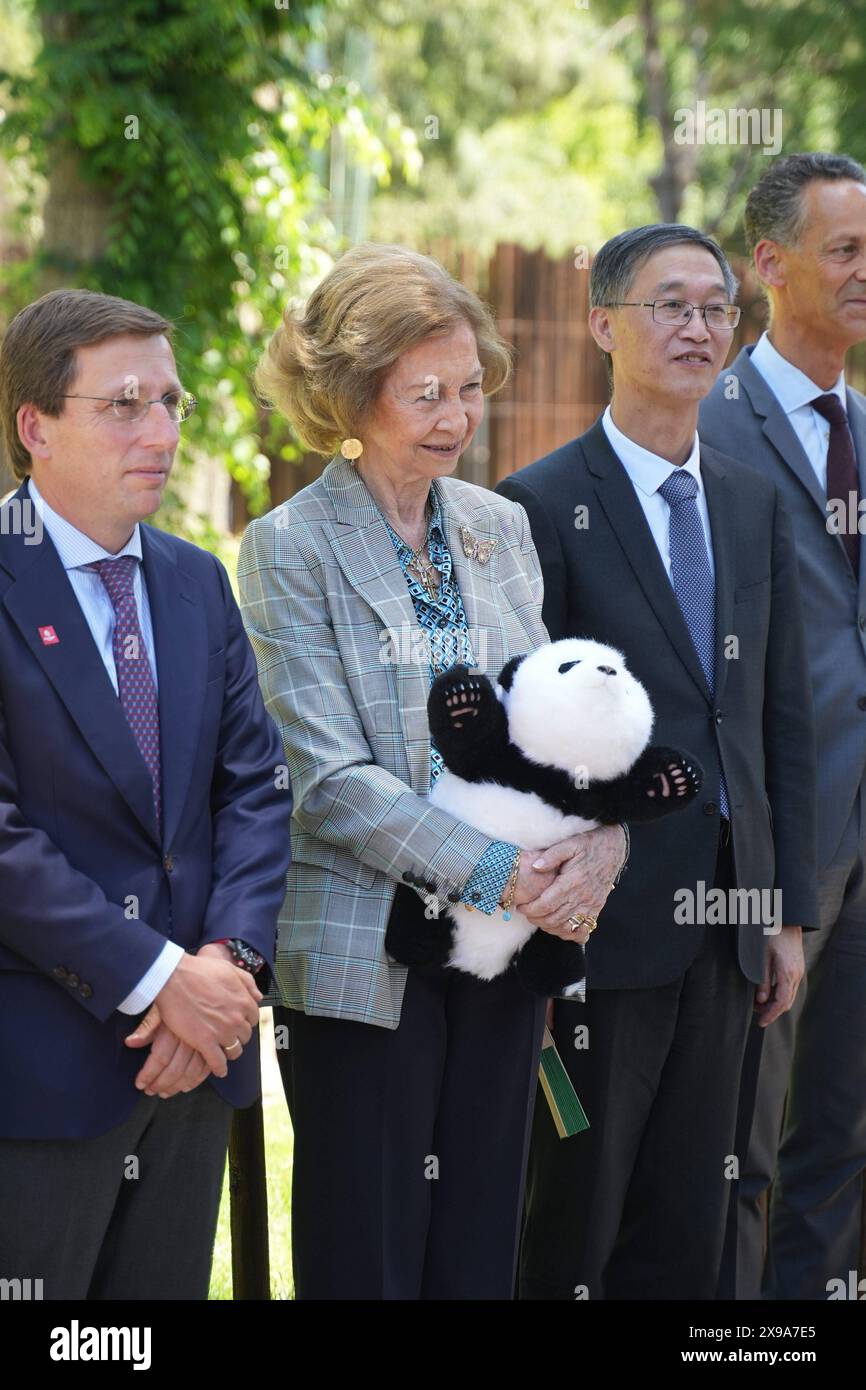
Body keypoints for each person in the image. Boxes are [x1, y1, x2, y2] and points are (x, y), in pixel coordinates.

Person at [237, 242, 627, 1300]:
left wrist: (593, 840)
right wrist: (501, 868)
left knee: (474, 1248)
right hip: (365, 957)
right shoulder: (287, 547)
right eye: (425, 394)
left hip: (504, 953)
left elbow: (554, 729)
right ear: (351, 394)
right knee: (367, 1249)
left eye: (467, 388)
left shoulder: (500, 527)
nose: (457, 415)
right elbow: (327, 779)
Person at [496, 224, 819, 1300]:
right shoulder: (537, 504)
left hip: (729, 926)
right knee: (575, 1217)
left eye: (715, 308)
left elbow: (775, 715)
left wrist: (780, 910)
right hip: (603, 924)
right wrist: (533, 941)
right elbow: (524, 743)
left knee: (694, 1223)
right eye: (667, 305)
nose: (696, 328)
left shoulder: (749, 499)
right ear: (602, 325)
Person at [0, 288, 291, 1300]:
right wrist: (157, 977)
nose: (160, 429)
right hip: (42, 1070)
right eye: (124, 403)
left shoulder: (196, 581)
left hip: (194, 1065)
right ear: (36, 427)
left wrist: (224, 969)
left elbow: (253, 789)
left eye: (171, 402)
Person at [701, 151, 866, 1300]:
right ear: (769, 264)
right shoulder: (704, 423)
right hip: (766, 841)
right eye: (844, 249)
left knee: (842, 1141)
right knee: (738, 1146)